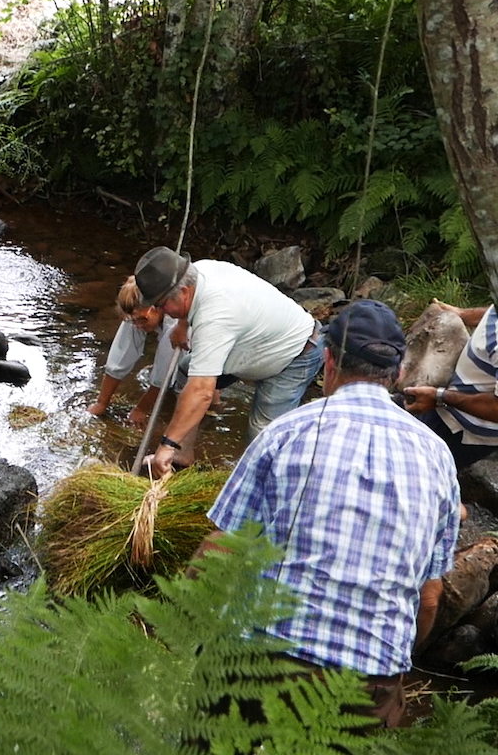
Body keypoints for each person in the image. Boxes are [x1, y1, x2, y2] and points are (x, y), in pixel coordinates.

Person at [195, 299, 460, 728]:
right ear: (398, 374)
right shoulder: (438, 456)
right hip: (367, 684)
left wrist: (183, 623)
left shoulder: (286, 430)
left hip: (262, 666)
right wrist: (391, 669)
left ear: (329, 361)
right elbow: (428, 598)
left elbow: (219, 551)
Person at [134, 246, 323, 477]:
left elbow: (202, 391)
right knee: (186, 370)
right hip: (251, 341)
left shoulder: (215, 316)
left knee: (262, 440)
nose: (160, 311)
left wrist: (166, 445)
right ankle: (183, 453)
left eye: (161, 305)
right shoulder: (197, 272)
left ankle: (262, 495)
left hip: (294, 354)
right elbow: (190, 307)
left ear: (182, 291)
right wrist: (183, 325)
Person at [403, 301, 498, 468]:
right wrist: (461, 314)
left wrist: (440, 398)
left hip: (460, 428)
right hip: (442, 398)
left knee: (410, 468)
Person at [88, 277, 187, 427]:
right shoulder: (136, 311)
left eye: (142, 320)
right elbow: (120, 355)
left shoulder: (174, 320)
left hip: (210, 325)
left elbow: (164, 373)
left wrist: (141, 409)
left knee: (187, 380)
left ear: (157, 307)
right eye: (133, 321)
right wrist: (101, 403)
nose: (137, 326)